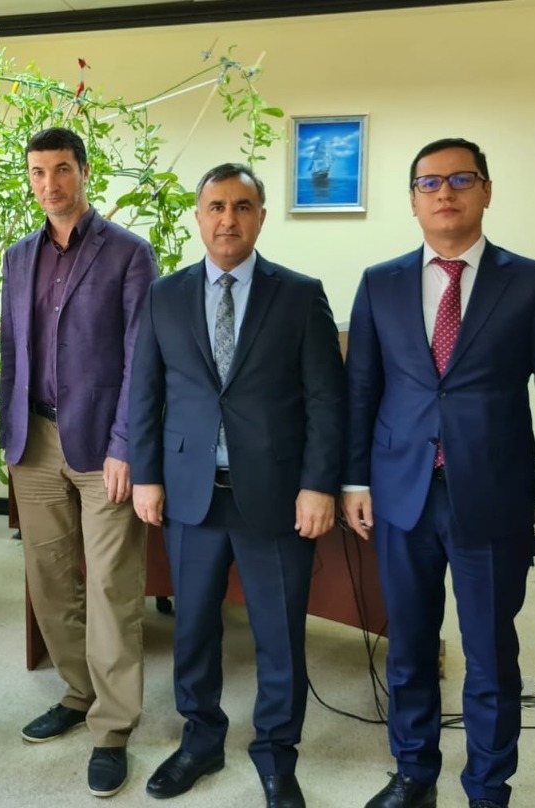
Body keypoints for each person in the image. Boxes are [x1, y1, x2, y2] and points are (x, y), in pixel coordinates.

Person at [342, 138, 535, 808]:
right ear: (412, 200)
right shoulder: (380, 282)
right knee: (408, 648)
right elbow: (361, 390)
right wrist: (355, 481)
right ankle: (413, 773)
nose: (444, 192)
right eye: (428, 183)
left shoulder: (532, 281)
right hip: (402, 495)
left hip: (493, 496)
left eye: (460, 179)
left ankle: (487, 787)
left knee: (489, 652)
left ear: (486, 191)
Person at [129, 163, 346, 808]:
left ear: (261, 216)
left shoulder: (300, 295)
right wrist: (146, 475)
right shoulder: (164, 295)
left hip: (275, 494)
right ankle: (200, 739)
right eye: (217, 207)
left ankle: (277, 753)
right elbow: (145, 393)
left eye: (242, 207)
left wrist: (319, 485)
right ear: (199, 218)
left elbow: (325, 400)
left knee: (279, 633)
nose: (229, 219)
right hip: (191, 492)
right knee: (193, 627)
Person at [0, 127, 158, 798]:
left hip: (103, 449)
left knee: (112, 587)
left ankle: (113, 727)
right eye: (37, 172)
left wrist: (126, 445)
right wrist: (7, 432)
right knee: (50, 578)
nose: (49, 183)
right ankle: (76, 691)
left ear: (84, 172)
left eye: (61, 169)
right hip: (33, 441)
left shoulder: (129, 253)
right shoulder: (17, 257)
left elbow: (142, 360)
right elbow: (12, 349)